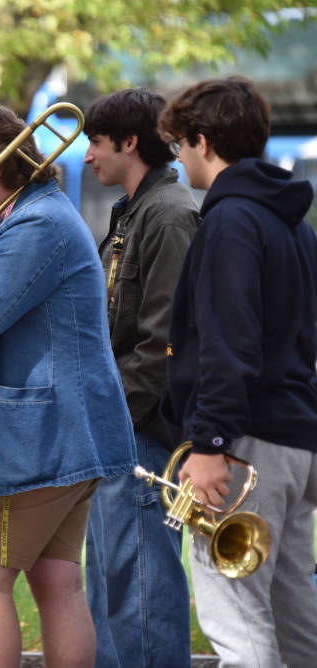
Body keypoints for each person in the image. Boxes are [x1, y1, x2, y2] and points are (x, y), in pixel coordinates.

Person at [0, 104, 136, 668]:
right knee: (56, 580)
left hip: (33, 439)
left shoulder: (34, 224)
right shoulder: (41, 216)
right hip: (67, 433)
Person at [159, 75, 317, 668]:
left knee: (238, 618)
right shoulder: (295, 225)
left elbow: (229, 344)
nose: (178, 158)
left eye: (179, 145)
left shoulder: (230, 222)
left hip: (243, 447)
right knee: (294, 611)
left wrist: (211, 442)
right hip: (297, 439)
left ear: (202, 141)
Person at [81, 89, 199, 668]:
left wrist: (108, 416)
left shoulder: (172, 213)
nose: (86, 157)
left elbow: (162, 347)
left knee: (142, 593)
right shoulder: (136, 210)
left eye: (94, 143)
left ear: (129, 142)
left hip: (139, 431)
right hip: (118, 429)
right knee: (110, 590)